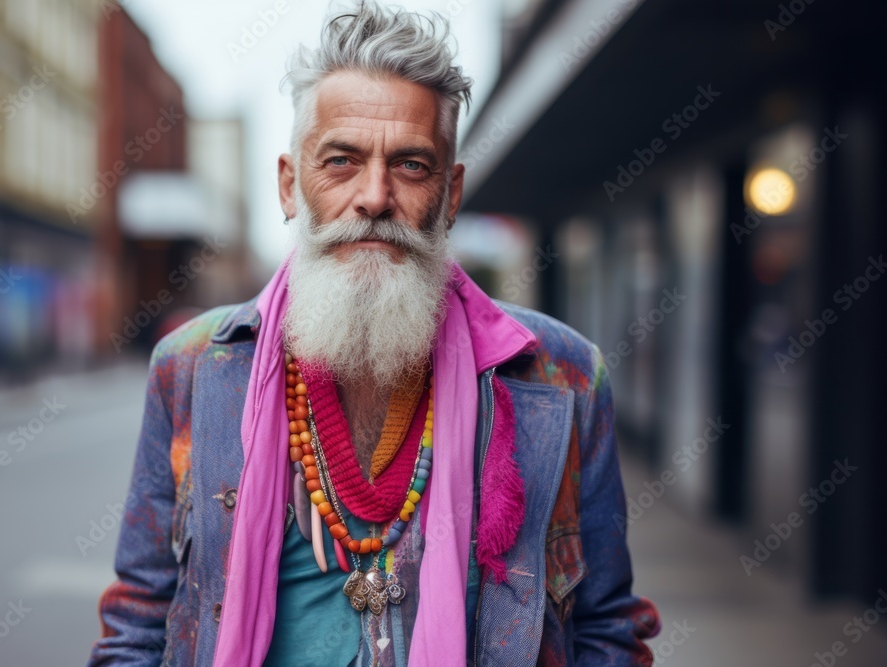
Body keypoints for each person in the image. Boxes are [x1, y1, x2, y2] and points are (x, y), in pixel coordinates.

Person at [87, 2, 659, 665]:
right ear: (289, 185)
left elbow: (607, 630)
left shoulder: (564, 376)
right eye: (341, 160)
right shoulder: (188, 368)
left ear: (450, 194)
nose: (375, 196)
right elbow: (138, 621)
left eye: (412, 165)